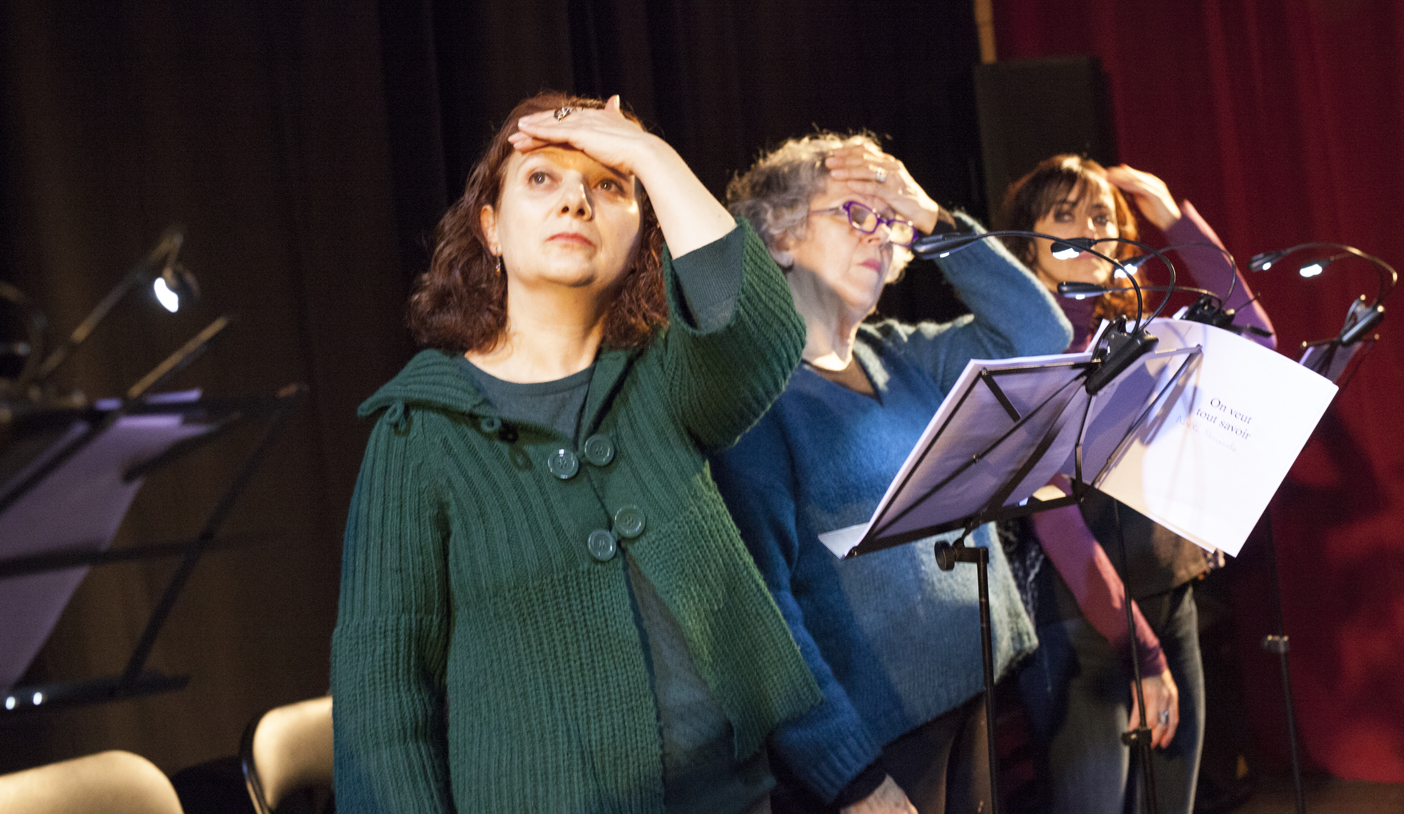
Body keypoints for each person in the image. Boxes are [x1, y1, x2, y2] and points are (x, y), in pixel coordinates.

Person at [330, 92, 823, 814]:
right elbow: (382, 702)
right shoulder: (418, 432)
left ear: (642, 237)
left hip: (734, 795)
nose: (575, 203)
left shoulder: (666, 374)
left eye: (608, 185)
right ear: (490, 230)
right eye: (541, 180)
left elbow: (756, 332)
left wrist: (651, 154)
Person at [709, 133, 1074, 814]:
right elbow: (764, 616)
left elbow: (1039, 337)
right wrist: (848, 773)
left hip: (975, 691)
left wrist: (934, 218)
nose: (880, 235)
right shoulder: (755, 401)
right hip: (880, 742)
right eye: (853, 213)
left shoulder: (903, 354)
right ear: (779, 240)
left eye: (889, 220)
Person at [996, 155, 1276, 814]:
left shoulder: (1144, 339)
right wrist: (1143, 657)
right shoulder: (1023, 348)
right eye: (1063, 216)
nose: (1087, 228)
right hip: (1083, 631)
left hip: (1171, 607)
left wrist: (1176, 223)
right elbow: (1057, 521)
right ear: (1030, 248)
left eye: (1101, 215)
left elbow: (1258, 343)